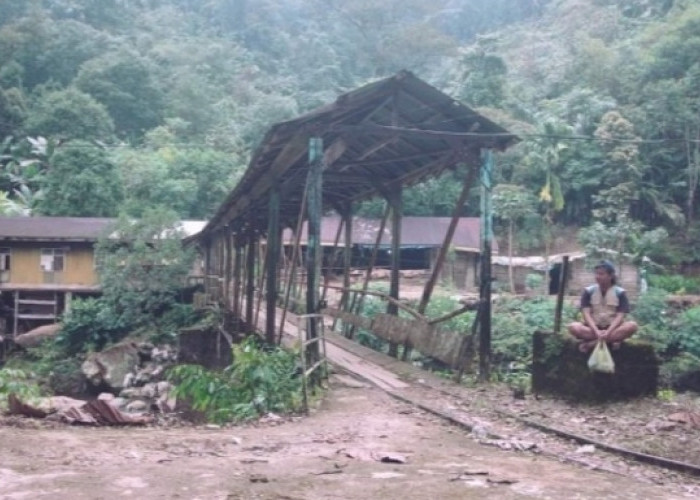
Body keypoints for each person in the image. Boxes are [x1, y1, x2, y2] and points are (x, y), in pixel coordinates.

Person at [568, 260, 638, 353]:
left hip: (613, 329)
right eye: (596, 274)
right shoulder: (588, 291)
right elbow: (586, 314)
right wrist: (597, 331)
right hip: (593, 330)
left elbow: (620, 316)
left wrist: (608, 332)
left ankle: (592, 344)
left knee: (632, 326)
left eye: (601, 274)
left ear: (611, 275)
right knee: (573, 327)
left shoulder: (620, 292)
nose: (597, 277)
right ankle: (611, 341)